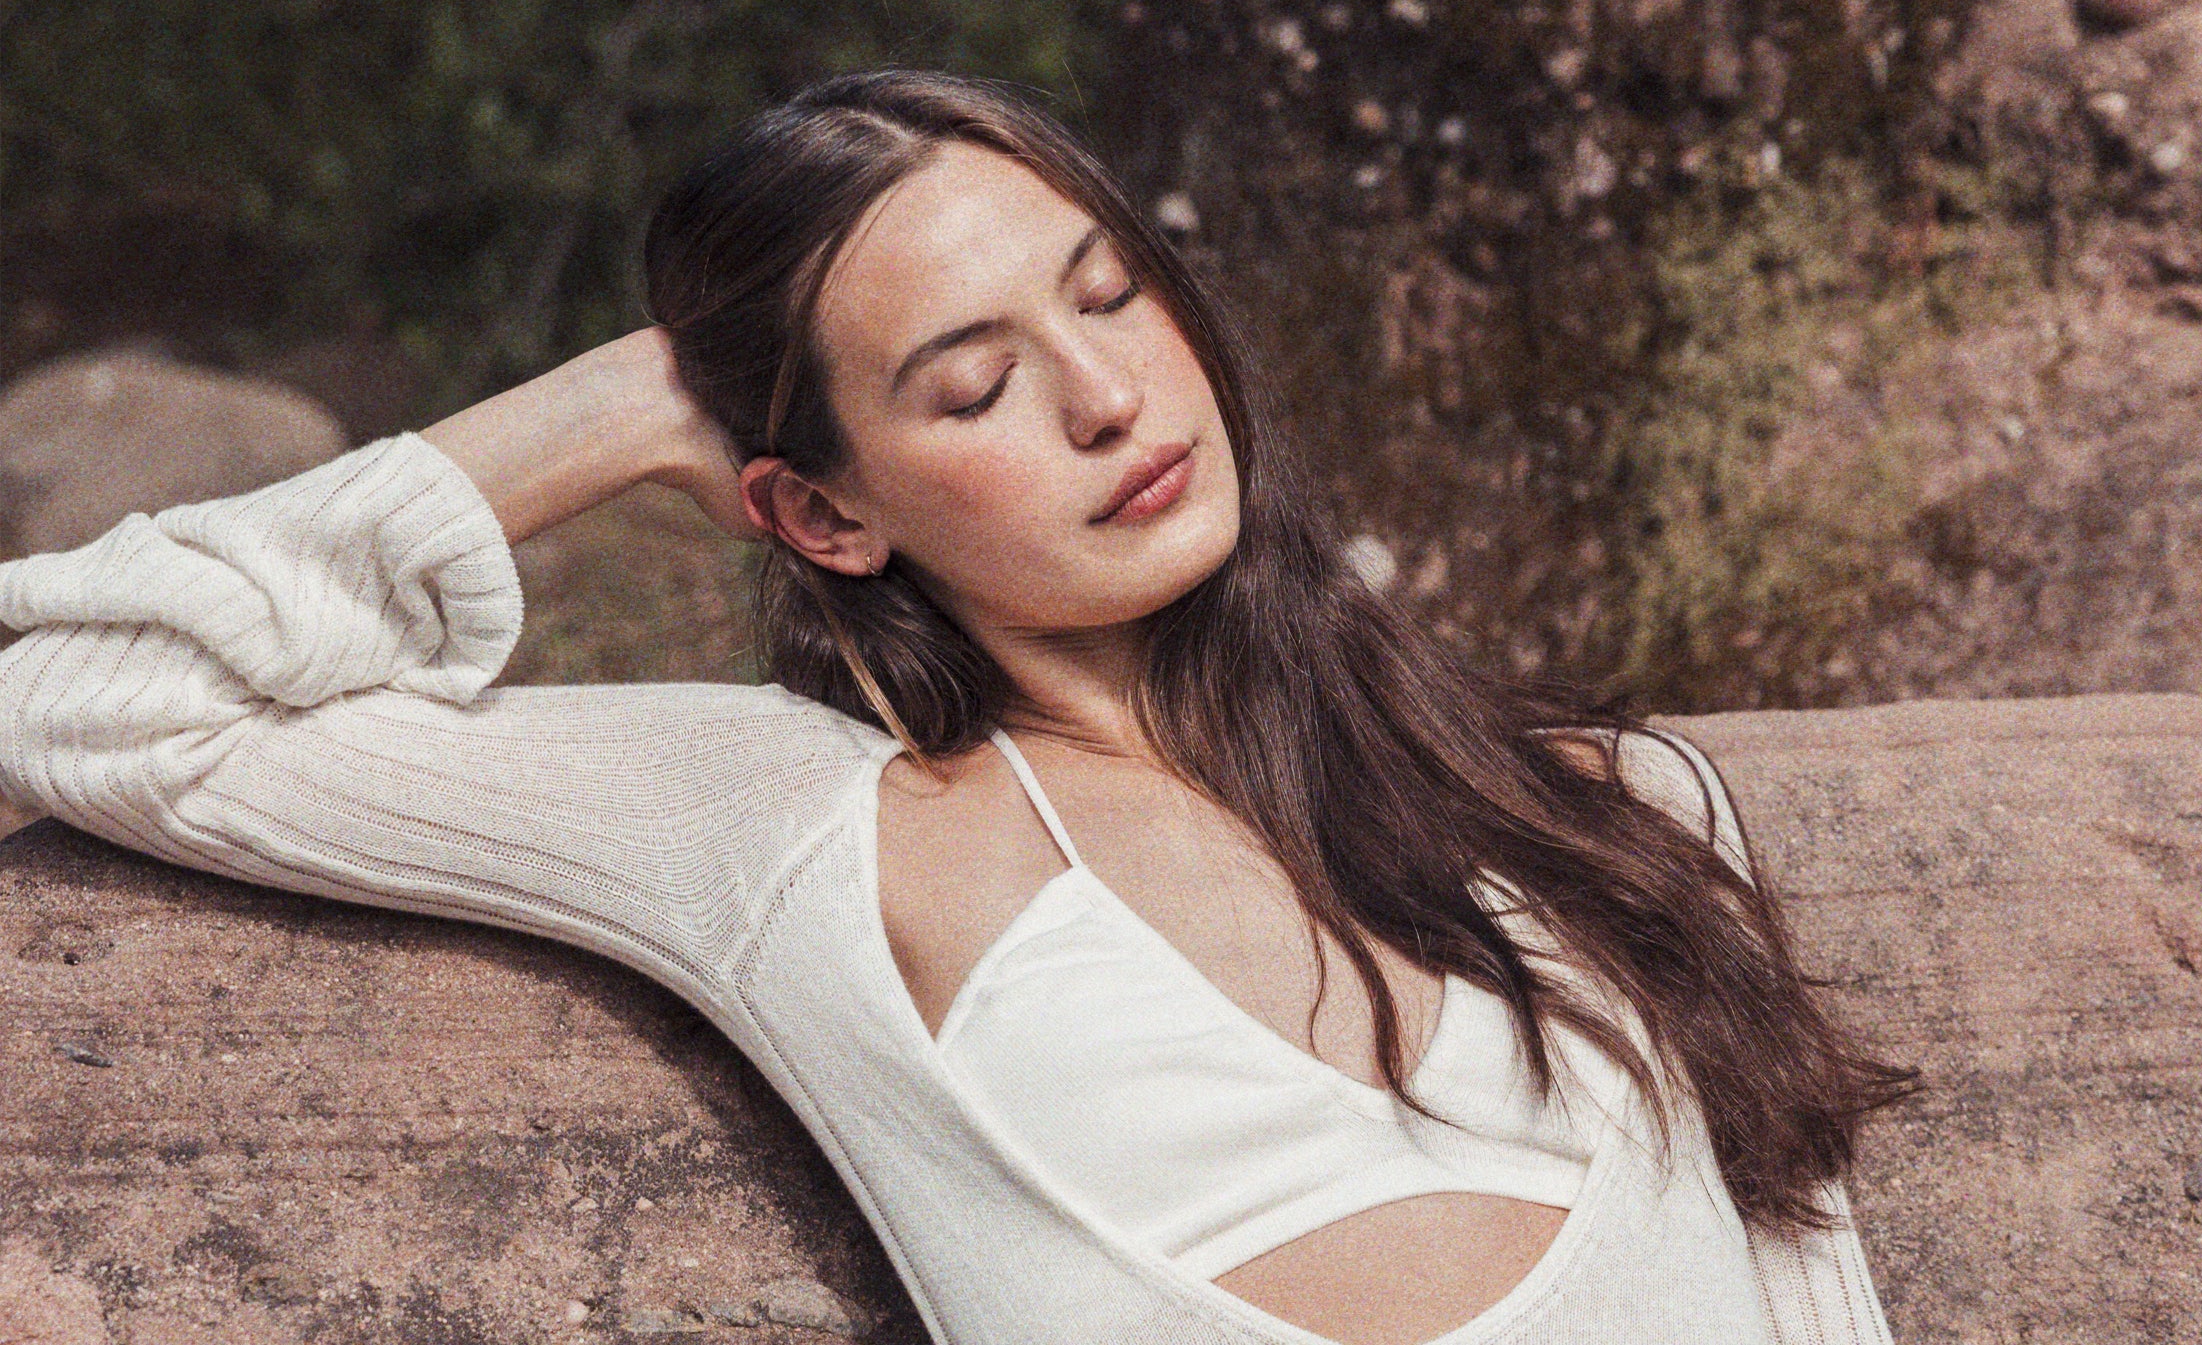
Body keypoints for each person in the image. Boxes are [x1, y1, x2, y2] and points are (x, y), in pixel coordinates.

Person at [0, 67, 1918, 1345]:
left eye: (1111, 294)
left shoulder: (1621, 815)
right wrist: (617, 412)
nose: (1105, 397)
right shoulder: (800, 837)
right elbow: (94, 700)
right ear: (821, 509)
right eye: (971, 383)